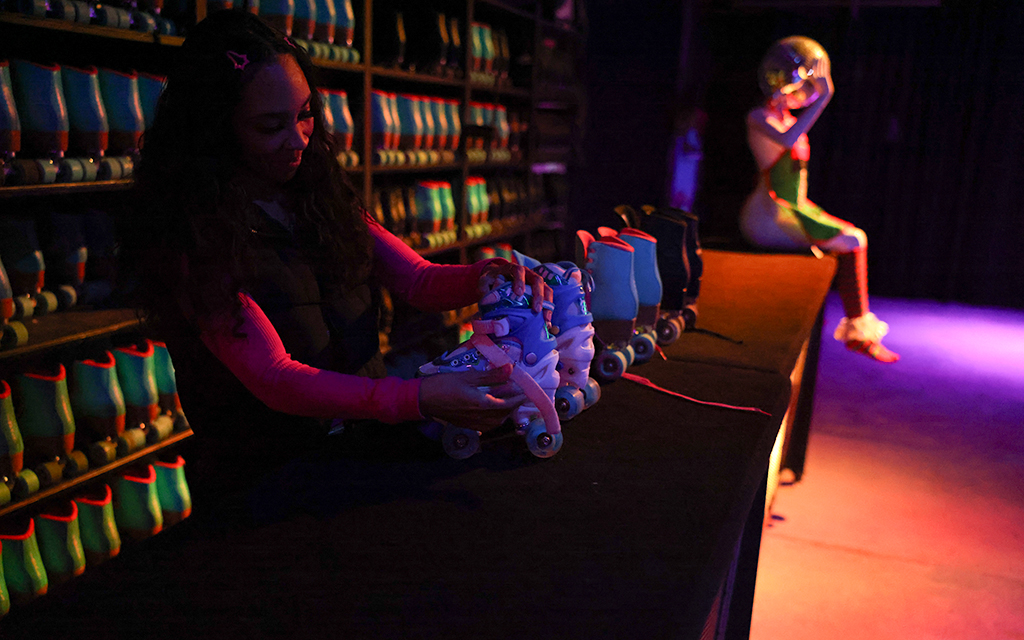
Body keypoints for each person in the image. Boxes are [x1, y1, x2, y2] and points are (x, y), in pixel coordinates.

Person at [121, 11, 552, 506]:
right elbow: (274, 377)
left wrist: (488, 276)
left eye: (306, 114)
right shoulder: (190, 233)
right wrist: (413, 398)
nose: (300, 139)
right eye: (270, 126)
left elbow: (417, 279)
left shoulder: (314, 194)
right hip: (264, 488)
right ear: (214, 129)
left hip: (358, 458)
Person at [740, 36, 898, 363]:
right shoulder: (759, 118)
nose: (801, 92)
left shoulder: (786, 120)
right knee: (852, 240)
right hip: (769, 213)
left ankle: (858, 330)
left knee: (855, 238)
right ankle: (858, 334)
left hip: (791, 208)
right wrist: (823, 98)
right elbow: (787, 139)